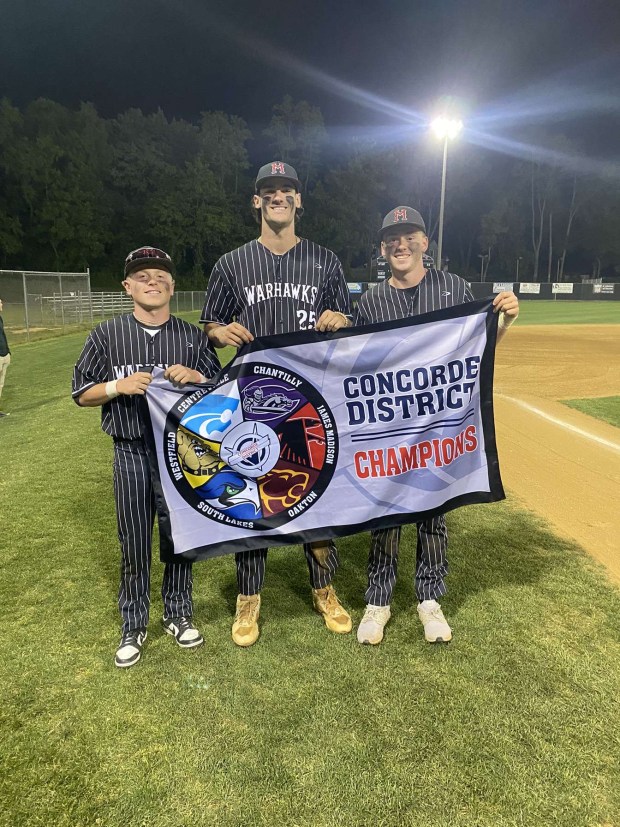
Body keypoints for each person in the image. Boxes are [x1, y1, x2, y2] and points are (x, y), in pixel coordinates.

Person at [200, 161, 353, 647]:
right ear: (256, 201)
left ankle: (324, 587)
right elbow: (211, 324)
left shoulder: (325, 261)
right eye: (270, 191)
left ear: (299, 200)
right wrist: (218, 331)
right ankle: (249, 597)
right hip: (254, 397)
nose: (278, 196)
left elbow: (343, 319)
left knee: (319, 492)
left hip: (313, 397)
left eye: (287, 190)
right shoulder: (231, 263)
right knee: (254, 494)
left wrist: (340, 316)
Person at [354, 206, 519, 646]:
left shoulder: (452, 288)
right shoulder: (371, 301)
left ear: (425, 242)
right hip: (390, 426)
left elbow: (475, 351)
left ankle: (429, 598)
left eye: (409, 235)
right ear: (384, 247)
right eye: (392, 238)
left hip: (439, 423)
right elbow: (358, 369)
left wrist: (503, 322)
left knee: (433, 511)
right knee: (385, 510)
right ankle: (378, 599)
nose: (400, 244)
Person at [72, 246, 219, 668]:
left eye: (160, 275)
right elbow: (81, 392)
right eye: (142, 276)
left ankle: (178, 612)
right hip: (132, 450)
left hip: (181, 453)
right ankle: (134, 621)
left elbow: (220, 389)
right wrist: (118, 386)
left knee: (179, 535)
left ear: (172, 285)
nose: (151, 281)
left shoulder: (192, 336)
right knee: (133, 541)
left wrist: (197, 376)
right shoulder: (106, 334)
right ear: (127, 286)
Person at [0, 298, 11, 418]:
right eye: (0, 302)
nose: (2, 304)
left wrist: (8, 351)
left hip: (4, 354)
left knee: (0, 384)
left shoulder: (0, 318)